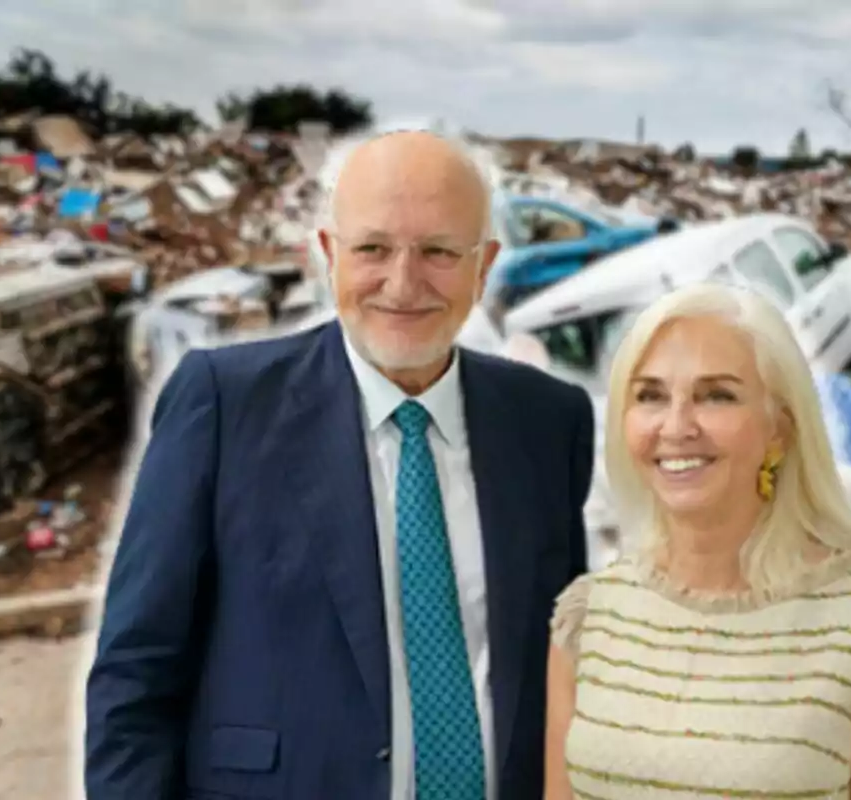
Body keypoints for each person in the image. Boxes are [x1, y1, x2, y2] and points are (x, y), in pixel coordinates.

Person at [85, 130, 595, 799]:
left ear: (484, 264)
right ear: (329, 254)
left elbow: (557, 665)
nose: (403, 282)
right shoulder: (224, 405)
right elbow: (135, 676)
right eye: (373, 249)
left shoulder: (547, 422)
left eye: (439, 251)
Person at [544, 284, 851, 799]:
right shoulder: (589, 618)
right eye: (649, 395)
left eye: (717, 395)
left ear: (779, 429)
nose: (676, 426)